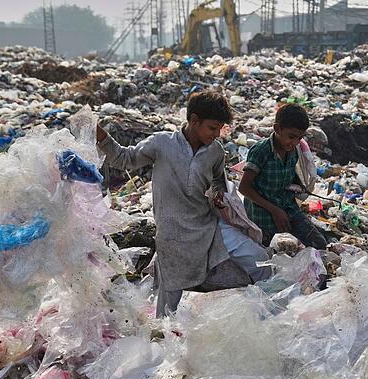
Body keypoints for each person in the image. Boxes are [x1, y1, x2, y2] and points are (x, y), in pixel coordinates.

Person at [95, 90, 271, 317]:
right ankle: (161, 344)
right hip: (173, 234)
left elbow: (218, 180)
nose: (216, 134)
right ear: (194, 120)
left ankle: (266, 315)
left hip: (208, 227)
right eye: (212, 128)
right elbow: (124, 158)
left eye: (219, 129)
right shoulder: (161, 144)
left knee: (259, 260)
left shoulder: (215, 151)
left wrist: (218, 194)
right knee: (168, 310)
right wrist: (99, 135)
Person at [239, 104, 327, 249]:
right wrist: (274, 210)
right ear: (277, 128)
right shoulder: (262, 151)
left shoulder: (292, 150)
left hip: (288, 208)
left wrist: (300, 185)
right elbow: (244, 188)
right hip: (264, 215)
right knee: (278, 253)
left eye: (300, 138)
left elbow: (289, 175)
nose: (295, 142)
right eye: (291, 136)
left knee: (318, 244)